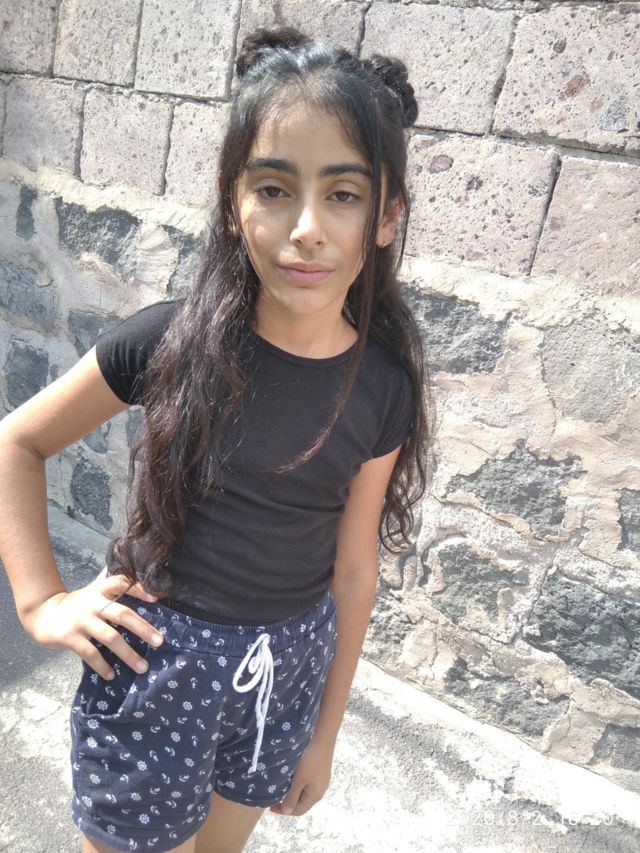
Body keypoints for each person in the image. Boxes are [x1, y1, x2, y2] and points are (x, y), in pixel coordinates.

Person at [0, 25, 435, 853]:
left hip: (286, 669)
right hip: (156, 669)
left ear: (388, 215)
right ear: (234, 203)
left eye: (344, 194)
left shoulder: (384, 387)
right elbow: (14, 445)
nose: (307, 227)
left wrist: (323, 734)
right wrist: (42, 603)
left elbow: (353, 572)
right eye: (274, 188)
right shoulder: (168, 344)